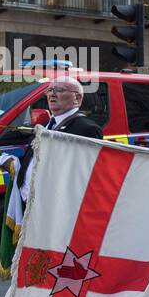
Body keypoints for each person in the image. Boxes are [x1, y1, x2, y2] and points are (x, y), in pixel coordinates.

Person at [17, 76, 103, 205]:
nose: (52, 94)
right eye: (50, 90)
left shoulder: (86, 129)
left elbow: (84, 175)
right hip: (31, 203)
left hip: (57, 205)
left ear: (77, 98)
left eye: (59, 90)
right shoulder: (45, 125)